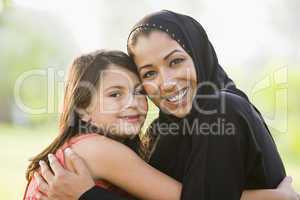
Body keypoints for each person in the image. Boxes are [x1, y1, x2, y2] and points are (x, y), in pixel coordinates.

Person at [33, 11, 300, 200]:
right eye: (149, 73)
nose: (167, 83)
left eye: (175, 62)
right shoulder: (159, 134)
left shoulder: (222, 111)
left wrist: (88, 196)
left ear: (198, 54)